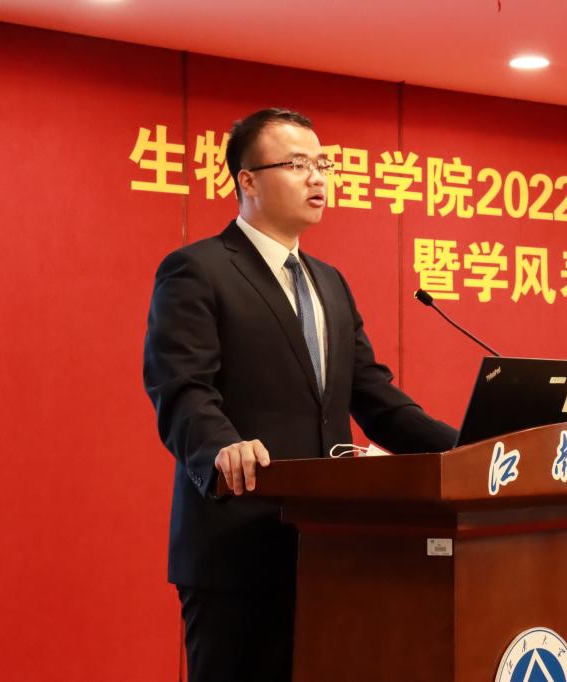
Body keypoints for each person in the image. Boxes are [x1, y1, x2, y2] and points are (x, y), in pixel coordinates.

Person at [143, 108, 457, 682]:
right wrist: (221, 447)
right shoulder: (198, 270)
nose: (318, 178)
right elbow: (182, 387)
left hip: (328, 546)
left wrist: (470, 448)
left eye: (323, 165)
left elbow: (376, 398)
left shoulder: (328, 281)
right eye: (298, 164)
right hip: (238, 546)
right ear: (248, 180)